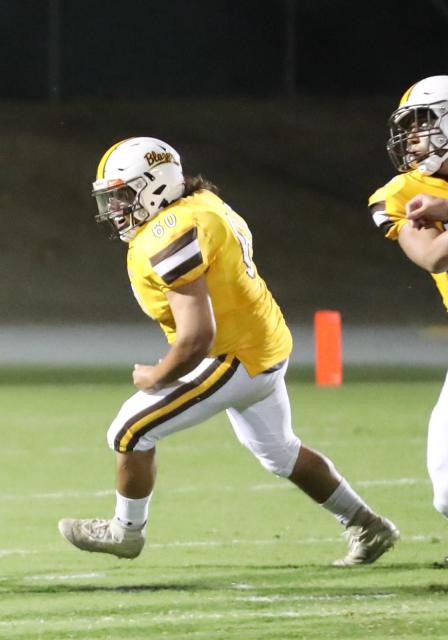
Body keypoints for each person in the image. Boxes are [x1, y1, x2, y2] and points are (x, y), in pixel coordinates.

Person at [58, 137, 398, 565]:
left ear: (156, 185)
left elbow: (197, 335)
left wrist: (157, 375)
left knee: (129, 432)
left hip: (230, 356)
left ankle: (125, 532)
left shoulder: (170, 230)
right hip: (264, 343)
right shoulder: (203, 203)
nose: (115, 208)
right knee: (281, 453)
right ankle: (367, 524)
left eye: (124, 194)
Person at [370, 75, 448, 562]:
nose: (413, 139)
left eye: (423, 124)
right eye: (410, 127)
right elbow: (435, 255)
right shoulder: (400, 192)